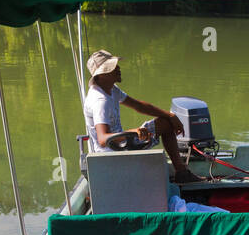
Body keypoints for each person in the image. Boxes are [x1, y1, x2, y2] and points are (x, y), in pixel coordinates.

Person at [84, 49, 206, 184]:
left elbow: (139, 106)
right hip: (111, 154)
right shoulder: (100, 100)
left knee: (165, 123)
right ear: (101, 75)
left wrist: (170, 115)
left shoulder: (111, 89)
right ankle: (181, 172)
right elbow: (102, 139)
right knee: (163, 125)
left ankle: (181, 173)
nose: (118, 68)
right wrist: (132, 133)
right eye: (112, 67)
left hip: (122, 143)